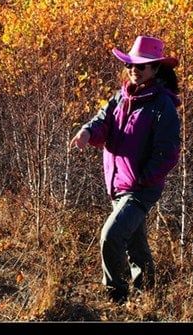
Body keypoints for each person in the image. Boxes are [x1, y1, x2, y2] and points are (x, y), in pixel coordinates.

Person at [69, 35, 181, 303]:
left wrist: (143, 179)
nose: (134, 70)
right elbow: (102, 120)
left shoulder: (162, 105)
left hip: (140, 188)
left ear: (155, 69)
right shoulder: (121, 96)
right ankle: (149, 294)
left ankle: (115, 296)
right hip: (119, 184)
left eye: (141, 66)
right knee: (135, 243)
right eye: (131, 65)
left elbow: (168, 152)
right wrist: (87, 132)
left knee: (111, 236)